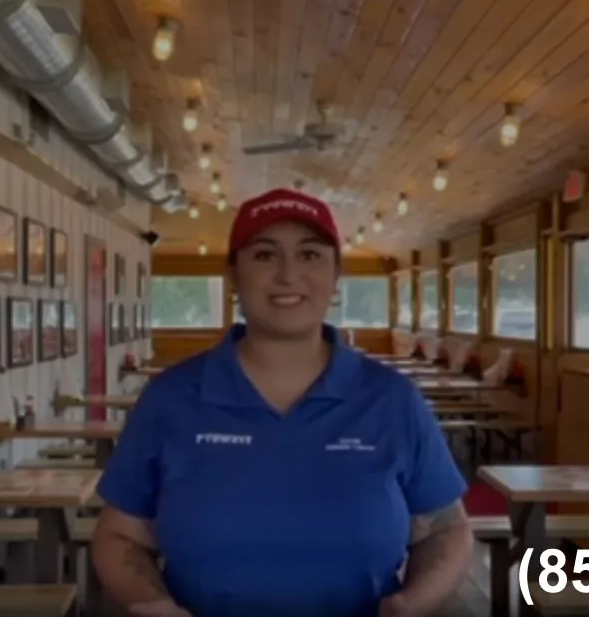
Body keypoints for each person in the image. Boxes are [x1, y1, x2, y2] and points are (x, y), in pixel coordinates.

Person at [92, 188, 473, 617]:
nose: (288, 275)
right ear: (233, 274)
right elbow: (120, 535)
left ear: (335, 274)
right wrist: (151, 602)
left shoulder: (392, 399)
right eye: (264, 255)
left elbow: (446, 528)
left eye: (310, 255)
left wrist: (411, 604)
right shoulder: (170, 398)